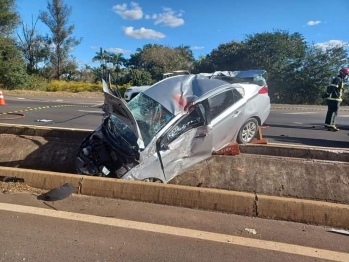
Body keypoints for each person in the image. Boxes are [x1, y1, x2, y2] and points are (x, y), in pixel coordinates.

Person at [324, 67, 349, 131]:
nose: (346, 76)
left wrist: (326, 94)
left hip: (333, 98)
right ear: (343, 73)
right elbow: (333, 88)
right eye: (346, 74)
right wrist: (327, 93)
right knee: (333, 112)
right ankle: (331, 125)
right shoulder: (338, 79)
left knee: (330, 112)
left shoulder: (338, 79)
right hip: (335, 98)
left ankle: (327, 124)